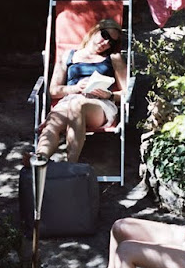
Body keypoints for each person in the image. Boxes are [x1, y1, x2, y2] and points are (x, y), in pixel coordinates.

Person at [35, 19, 127, 162]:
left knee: (77, 105)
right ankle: (40, 158)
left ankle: (70, 164)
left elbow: (127, 93)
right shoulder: (68, 55)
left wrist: (109, 95)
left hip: (99, 105)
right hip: (69, 100)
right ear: (94, 31)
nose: (106, 43)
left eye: (111, 43)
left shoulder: (114, 58)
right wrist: (75, 88)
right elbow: (53, 91)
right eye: (105, 35)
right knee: (53, 122)